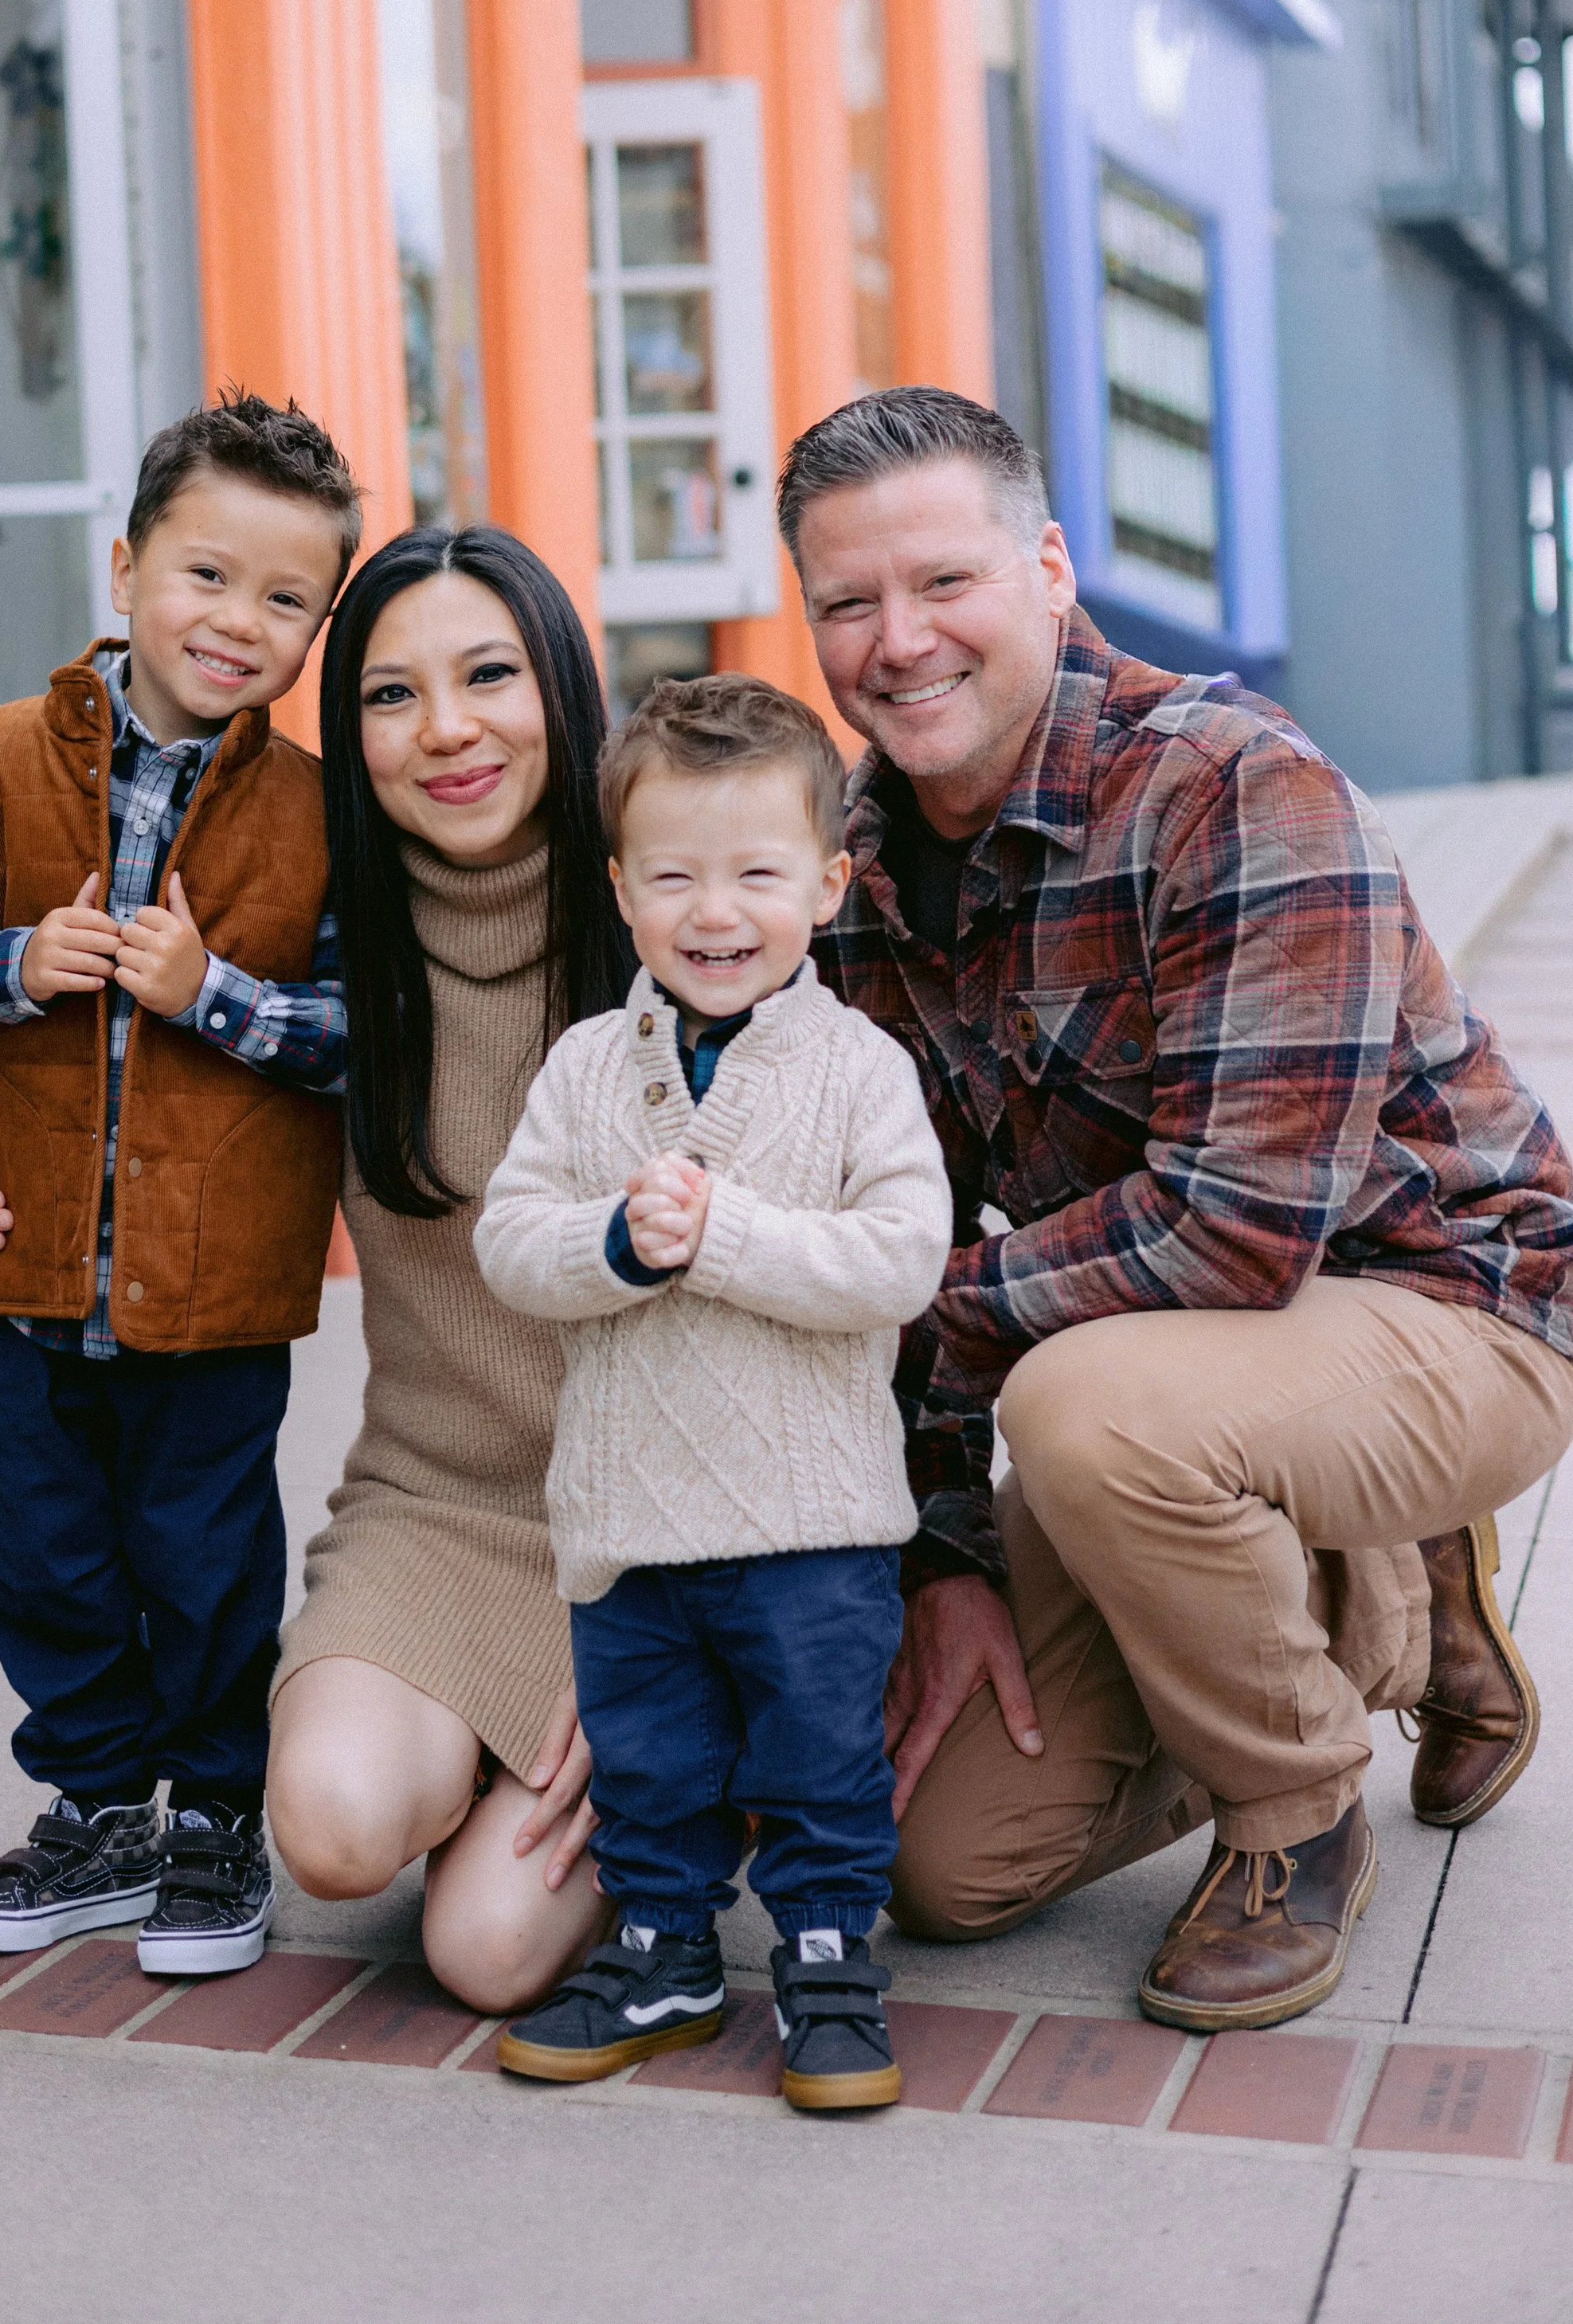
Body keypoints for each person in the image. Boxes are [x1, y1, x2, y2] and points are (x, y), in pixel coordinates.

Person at [780, 385, 1573, 2031]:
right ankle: (1373, 1594)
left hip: (1451, 1307)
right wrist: (941, 1549)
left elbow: (1230, 1232)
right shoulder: (844, 876)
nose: (897, 640)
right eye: (846, 602)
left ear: (1050, 570)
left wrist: (926, 1296)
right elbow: (899, 1217)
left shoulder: (1231, 785)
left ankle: (1294, 1811)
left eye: (942, 581)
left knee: (1082, 1406)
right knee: (937, 1870)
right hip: (1188, 1370)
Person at [0, 525, 635, 2013]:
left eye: (489, 673)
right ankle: (468, 1751)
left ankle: (673, 1750)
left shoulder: (673, 916)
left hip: (662, 1525)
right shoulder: (320, 954)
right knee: (336, 1828)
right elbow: (134, 1109)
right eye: (387, 692)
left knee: (487, 1954)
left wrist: (669, 1642)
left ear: (560, 680)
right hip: (438, 1514)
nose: (446, 730)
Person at [0, 393, 355, 1980]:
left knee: (207, 1560)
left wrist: (211, 990)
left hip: (216, 1287)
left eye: (288, 602)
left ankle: (216, 1821)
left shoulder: (316, 816)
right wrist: (11, 961)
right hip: (31, 1275)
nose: (241, 623)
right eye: (208, 576)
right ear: (126, 566)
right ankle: (95, 1813)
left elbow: (354, 1036)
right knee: (53, 1557)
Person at [474, 675, 951, 2111]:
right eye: (674, 875)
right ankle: (665, 1944)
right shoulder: (581, 1070)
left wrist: (726, 1236)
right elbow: (509, 1239)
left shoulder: (861, 1069)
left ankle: (823, 1953)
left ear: (828, 878)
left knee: (817, 1756)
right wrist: (618, 1240)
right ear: (621, 889)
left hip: (811, 1521)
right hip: (631, 1519)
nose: (715, 910)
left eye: (756, 872)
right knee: (652, 1760)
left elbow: (903, 1256)